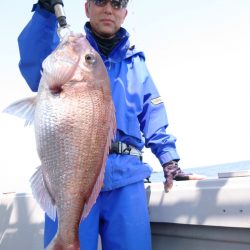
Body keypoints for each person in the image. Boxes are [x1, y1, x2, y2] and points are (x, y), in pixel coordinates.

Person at [18, 0, 204, 249]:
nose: (108, 9)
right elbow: (32, 59)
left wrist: (170, 161)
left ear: (124, 14)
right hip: (71, 175)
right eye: (100, 1)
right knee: (67, 235)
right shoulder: (66, 51)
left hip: (127, 178)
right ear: (87, 8)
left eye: (117, 4)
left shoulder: (136, 64)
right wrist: (44, 12)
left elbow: (153, 115)